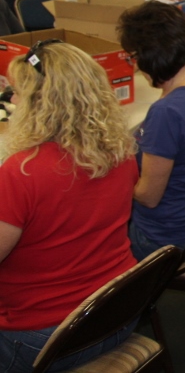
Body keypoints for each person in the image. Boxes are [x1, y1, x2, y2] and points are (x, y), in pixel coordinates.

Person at [0, 41, 138, 372]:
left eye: (17, 93)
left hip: (44, 337)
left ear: (40, 103)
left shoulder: (23, 173)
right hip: (115, 312)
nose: (12, 101)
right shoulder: (120, 152)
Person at [117, 2, 185, 261]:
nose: (134, 65)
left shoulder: (166, 112)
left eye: (134, 57)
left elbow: (149, 197)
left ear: (149, 56)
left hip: (166, 236)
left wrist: (115, 177)